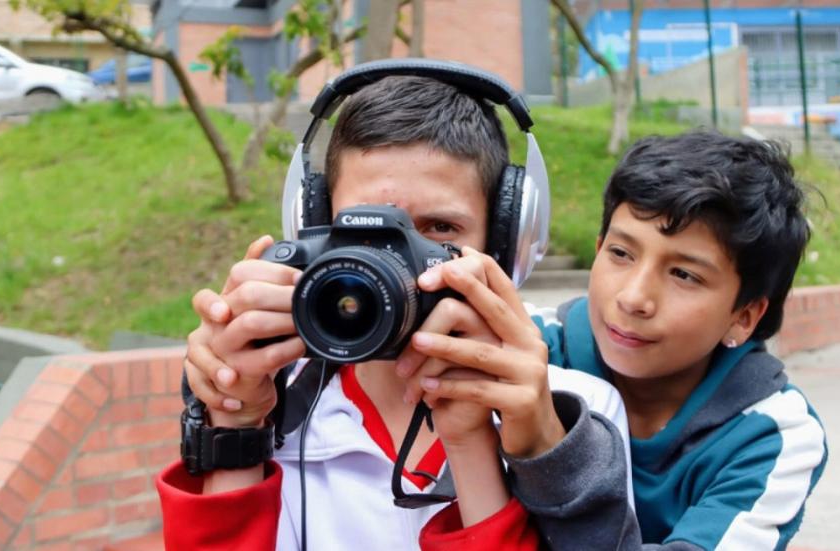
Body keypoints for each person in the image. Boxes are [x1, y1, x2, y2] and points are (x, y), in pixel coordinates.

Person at [156, 65, 631, 551]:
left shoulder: (573, 417)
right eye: (364, 231)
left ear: (506, 244)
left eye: (439, 230)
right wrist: (234, 420)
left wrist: (471, 443)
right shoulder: (277, 406)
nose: (393, 265)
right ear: (312, 225)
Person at [402, 131, 829, 550]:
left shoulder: (773, 435)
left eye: (684, 274)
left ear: (744, 316)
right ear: (599, 246)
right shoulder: (520, 348)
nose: (633, 297)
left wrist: (551, 449)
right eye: (621, 254)